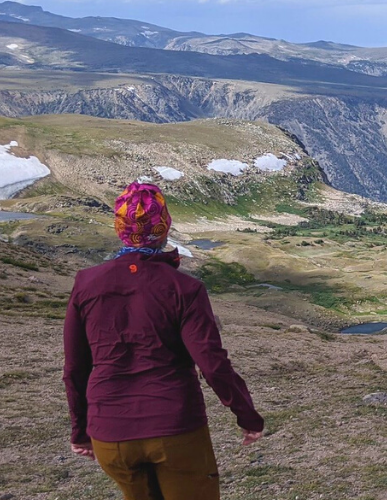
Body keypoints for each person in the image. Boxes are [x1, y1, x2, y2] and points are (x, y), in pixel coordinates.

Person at [64, 183, 264, 500]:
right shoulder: (184, 288)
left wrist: (80, 432)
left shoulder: (86, 284)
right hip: (175, 428)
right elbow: (212, 364)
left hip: (110, 434)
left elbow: (76, 368)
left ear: (121, 230)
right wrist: (247, 416)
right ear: (163, 228)